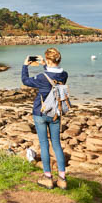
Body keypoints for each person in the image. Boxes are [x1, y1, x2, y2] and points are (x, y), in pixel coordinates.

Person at [21, 47, 68, 189]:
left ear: (48, 59)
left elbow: (25, 81)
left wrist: (25, 66)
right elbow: (54, 74)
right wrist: (45, 64)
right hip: (55, 113)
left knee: (44, 144)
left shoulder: (41, 77)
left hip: (40, 113)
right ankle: (62, 179)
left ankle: (48, 178)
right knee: (57, 144)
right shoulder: (64, 75)